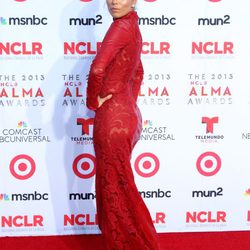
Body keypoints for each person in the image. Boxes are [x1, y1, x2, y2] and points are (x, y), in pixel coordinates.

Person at [86, 0, 160, 249]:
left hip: (111, 120)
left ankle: (129, 244)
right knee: (121, 183)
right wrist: (127, 101)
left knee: (115, 188)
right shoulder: (133, 26)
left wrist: (93, 100)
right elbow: (138, 72)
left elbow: (97, 69)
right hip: (127, 115)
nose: (115, 1)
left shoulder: (120, 27)